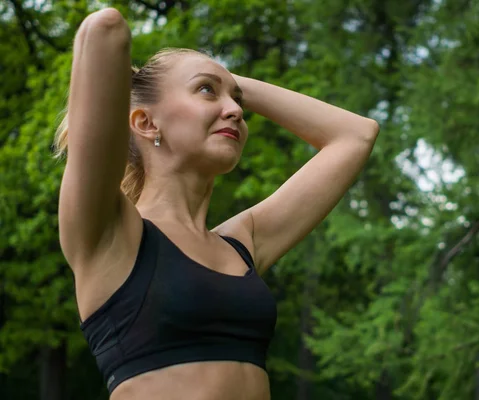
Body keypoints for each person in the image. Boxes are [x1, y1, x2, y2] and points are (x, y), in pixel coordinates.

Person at [55, 7, 379, 400]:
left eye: (237, 101)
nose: (237, 110)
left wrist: (225, 81)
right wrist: (186, 79)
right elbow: (104, 29)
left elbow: (356, 135)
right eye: (206, 91)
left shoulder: (243, 243)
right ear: (146, 123)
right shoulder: (110, 234)